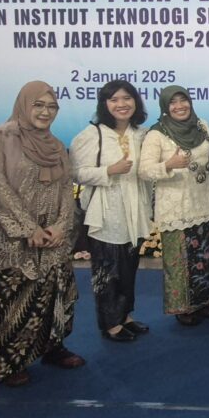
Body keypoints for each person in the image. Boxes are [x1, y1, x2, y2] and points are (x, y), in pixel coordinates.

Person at [0, 81, 83, 386]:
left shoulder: (56, 145)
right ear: (23, 105)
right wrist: (27, 227)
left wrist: (61, 224)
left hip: (51, 238)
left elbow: (66, 188)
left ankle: (52, 347)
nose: (46, 112)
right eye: (39, 105)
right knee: (9, 302)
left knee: (54, 294)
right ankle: (8, 363)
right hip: (7, 239)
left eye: (52, 106)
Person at [70, 80, 152, 342]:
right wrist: (109, 171)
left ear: (135, 101)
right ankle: (110, 324)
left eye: (127, 98)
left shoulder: (142, 134)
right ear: (104, 104)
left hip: (135, 210)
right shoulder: (92, 134)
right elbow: (77, 173)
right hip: (105, 212)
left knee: (129, 267)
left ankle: (125, 316)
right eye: (114, 99)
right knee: (107, 270)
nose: (121, 104)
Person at [139, 86, 209, 326]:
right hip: (176, 208)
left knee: (204, 256)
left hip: (205, 203)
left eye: (183, 100)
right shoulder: (157, 134)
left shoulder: (202, 126)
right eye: (172, 102)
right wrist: (168, 164)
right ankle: (182, 307)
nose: (179, 106)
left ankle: (203, 301)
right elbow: (144, 170)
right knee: (179, 260)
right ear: (165, 107)